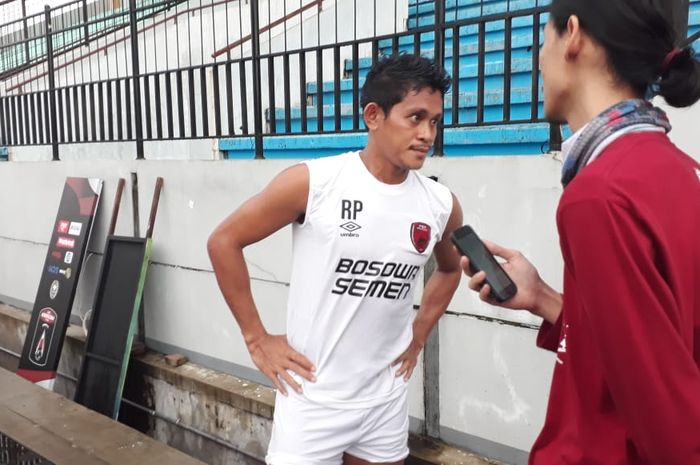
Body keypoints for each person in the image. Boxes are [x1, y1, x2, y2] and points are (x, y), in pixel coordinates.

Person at [461, 1, 700, 464]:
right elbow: (657, 340)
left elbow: (667, 416)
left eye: (542, 40)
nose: (538, 62)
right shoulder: (683, 171)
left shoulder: (598, 194)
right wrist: (541, 298)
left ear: (572, 35)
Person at [208, 53, 463, 465]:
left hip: (384, 401)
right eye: (415, 117)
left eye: (434, 121)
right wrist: (257, 338)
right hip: (313, 398)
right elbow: (224, 242)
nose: (427, 133)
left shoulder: (440, 204)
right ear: (374, 115)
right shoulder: (314, 183)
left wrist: (418, 334)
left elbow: (451, 270)